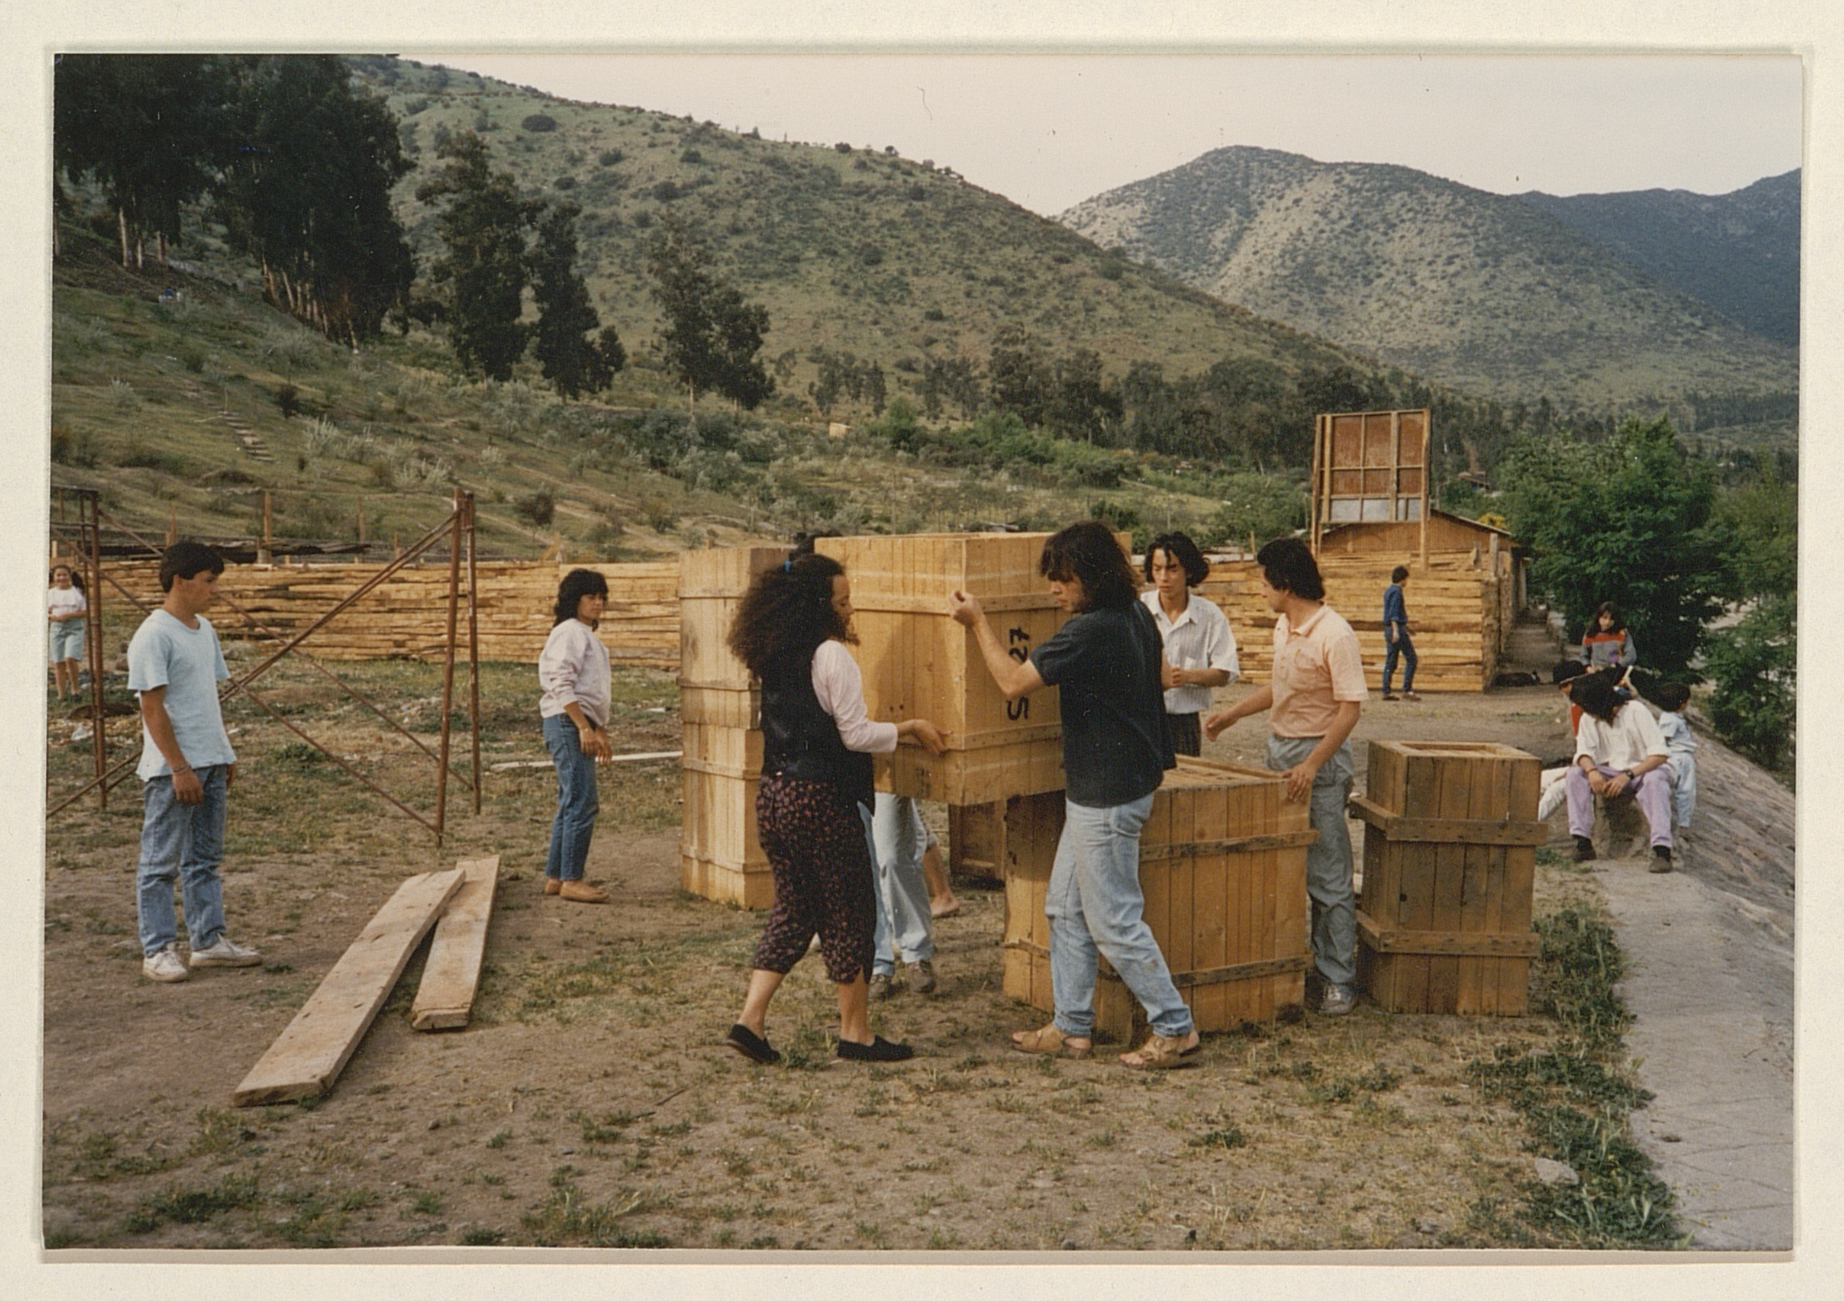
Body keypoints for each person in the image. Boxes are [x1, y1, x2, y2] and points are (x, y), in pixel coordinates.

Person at [948, 520, 1199, 1069]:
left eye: (1063, 580)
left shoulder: (1088, 630)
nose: (1053, 590)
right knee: (1063, 907)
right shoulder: (1134, 613)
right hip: (1113, 785)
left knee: (1113, 919)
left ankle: (1175, 1028)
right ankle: (1071, 1027)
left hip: (1107, 796)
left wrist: (978, 623)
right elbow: (1157, 679)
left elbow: (1012, 684)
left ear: (1090, 577)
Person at [723, 550, 948, 1066]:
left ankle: (750, 1022)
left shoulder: (773, 650)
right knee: (851, 910)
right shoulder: (831, 656)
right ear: (816, 605)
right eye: (842, 602)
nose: (850, 610)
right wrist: (909, 728)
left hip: (774, 795)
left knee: (795, 907)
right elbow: (855, 735)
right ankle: (856, 1033)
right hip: (820, 798)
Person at [1204, 537, 1366, 1016]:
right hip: (1281, 754)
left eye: (1264, 581)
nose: (1260, 590)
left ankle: (1338, 978)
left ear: (1286, 584)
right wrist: (1232, 714)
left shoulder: (1335, 634)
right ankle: (1295, 965)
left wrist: (1312, 765)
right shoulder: (1284, 626)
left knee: (1328, 872)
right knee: (1282, 867)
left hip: (1319, 759)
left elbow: (1349, 710)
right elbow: (1281, 688)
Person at [128, 542, 262, 983]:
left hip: (210, 759)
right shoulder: (154, 634)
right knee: (161, 861)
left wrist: (224, 751)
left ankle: (208, 941)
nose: (216, 589)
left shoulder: (203, 629)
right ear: (181, 581)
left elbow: (206, 699)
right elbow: (153, 708)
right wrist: (179, 766)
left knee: (204, 858)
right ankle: (159, 949)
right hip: (174, 768)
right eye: (209, 580)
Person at [538, 568, 614, 903]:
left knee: (571, 799)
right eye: (590, 597)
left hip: (579, 722)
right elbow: (558, 680)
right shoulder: (569, 632)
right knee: (583, 801)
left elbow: (591, 690)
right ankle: (572, 878)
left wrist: (599, 728)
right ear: (575, 600)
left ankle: (556, 875)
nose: (597, 603)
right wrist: (582, 726)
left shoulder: (587, 637)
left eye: (601, 598)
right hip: (567, 722)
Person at [1140, 530, 1239, 756]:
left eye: (1172, 569)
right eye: (1157, 569)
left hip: (1184, 725)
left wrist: (1185, 677)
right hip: (1143, 718)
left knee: (1184, 785)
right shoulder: (1138, 610)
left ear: (1189, 570)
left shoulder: (1209, 615)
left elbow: (1225, 671)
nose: (1164, 577)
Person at [1565, 671, 1674, 871]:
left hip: (1643, 770)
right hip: (1610, 770)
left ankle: (1662, 850)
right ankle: (1582, 842)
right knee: (1575, 774)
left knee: (1656, 780)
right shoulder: (1589, 719)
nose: (1584, 711)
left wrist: (1628, 775)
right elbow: (1583, 752)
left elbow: (1659, 754)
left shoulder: (1635, 711)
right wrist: (1591, 771)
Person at [869, 793, 939, 999]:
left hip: (887, 769)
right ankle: (877, 964)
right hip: (842, 770)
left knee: (894, 856)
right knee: (862, 863)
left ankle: (917, 954)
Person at [1653, 681, 1698, 832]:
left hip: (1678, 756)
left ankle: (1679, 821)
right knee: (1685, 790)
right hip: (1679, 757)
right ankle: (1682, 823)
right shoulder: (1670, 719)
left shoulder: (1672, 717)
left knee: (1681, 790)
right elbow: (1663, 739)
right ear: (1681, 704)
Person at [48, 562, 89, 700]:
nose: (61, 578)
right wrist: (51, 616)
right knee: (58, 661)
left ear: (69, 576)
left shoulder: (76, 592)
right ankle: (60, 694)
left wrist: (68, 615)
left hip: (74, 627)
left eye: (64, 574)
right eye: (58, 575)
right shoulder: (50, 593)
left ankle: (75, 690)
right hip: (56, 628)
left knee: (69, 658)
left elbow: (85, 611)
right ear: (54, 577)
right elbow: (43, 612)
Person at [1380, 564, 1420, 701]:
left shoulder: (1388, 591)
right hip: (1396, 629)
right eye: (1406, 579)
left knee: (1391, 661)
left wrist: (1406, 627)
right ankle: (1406, 689)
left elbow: (1390, 612)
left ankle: (1385, 690)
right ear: (1402, 579)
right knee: (1411, 658)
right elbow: (1394, 612)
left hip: (1388, 628)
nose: (1406, 582)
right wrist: (1397, 630)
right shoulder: (1397, 591)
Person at [1581, 603, 1636, 679]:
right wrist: (1588, 667)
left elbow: (1631, 656)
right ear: (1598, 617)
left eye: (1611, 619)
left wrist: (1616, 665)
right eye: (1604, 618)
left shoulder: (1621, 633)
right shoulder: (1590, 634)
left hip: (1615, 674)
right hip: (1595, 673)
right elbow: (1584, 655)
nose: (1607, 622)